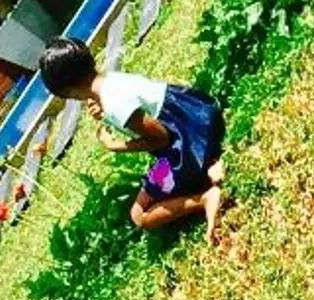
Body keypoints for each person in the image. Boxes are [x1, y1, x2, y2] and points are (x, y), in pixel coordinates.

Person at [38, 38, 228, 240]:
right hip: (199, 116)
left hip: (183, 143)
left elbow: (161, 138)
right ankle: (208, 165)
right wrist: (103, 106)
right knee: (169, 173)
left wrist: (115, 145)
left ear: (66, 91)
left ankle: (205, 198)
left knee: (139, 214)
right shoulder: (110, 80)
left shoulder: (112, 103)